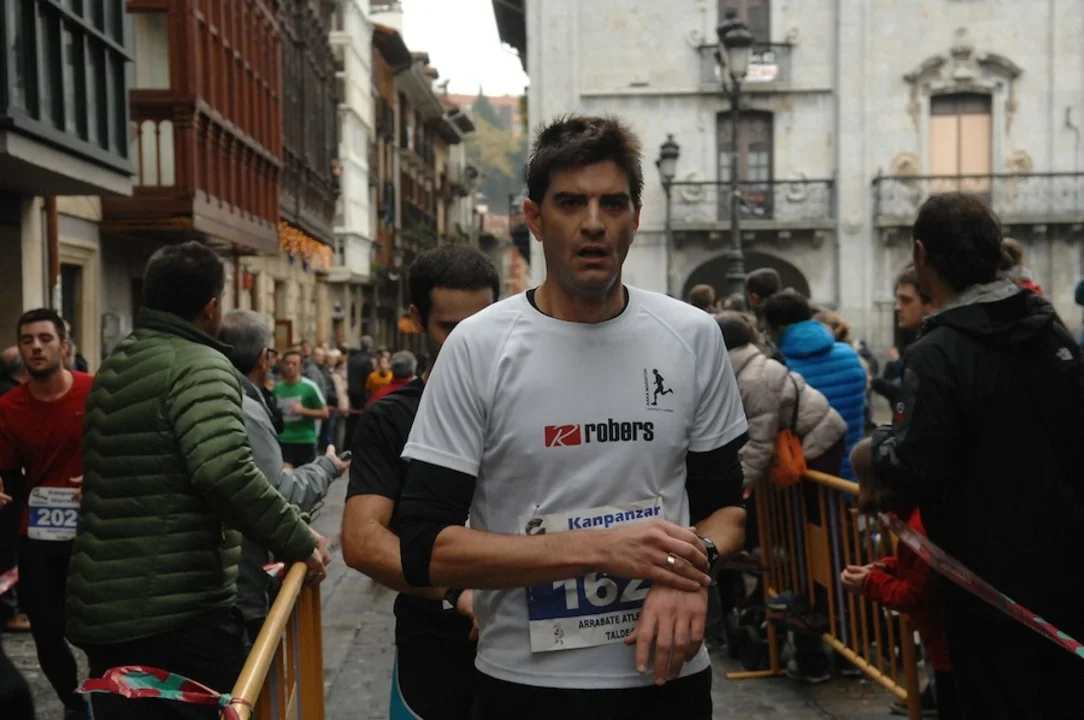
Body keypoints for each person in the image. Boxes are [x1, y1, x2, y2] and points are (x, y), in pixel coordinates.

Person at [395, 115, 749, 719]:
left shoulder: (691, 335)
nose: (593, 223)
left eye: (612, 203)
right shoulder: (478, 345)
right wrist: (602, 549)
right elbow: (426, 549)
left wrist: (688, 570)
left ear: (635, 218)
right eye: (570, 203)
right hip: (525, 687)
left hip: (669, 681)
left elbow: (728, 513)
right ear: (534, 218)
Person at [66, 241, 331, 720]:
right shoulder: (201, 364)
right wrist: (300, 539)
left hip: (106, 607)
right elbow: (224, 470)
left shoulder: (117, 363)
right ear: (211, 307)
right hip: (178, 613)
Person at [870, 193, 1084, 719]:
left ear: (922, 255)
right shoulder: (1053, 332)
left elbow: (914, 467)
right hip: (1066, 573)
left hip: (985, 588)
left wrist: (878, 447)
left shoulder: (936, 354)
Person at [342, 243, 500, 720]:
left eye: (481, 324)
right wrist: (456, 592)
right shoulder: (389, 419)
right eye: (450, 328)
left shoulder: (538, 402)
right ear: (416, 319)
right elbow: (363, 541)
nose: (468, 342)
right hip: (434, 650)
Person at [219, 310, 350, 642]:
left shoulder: (214, 394)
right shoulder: (242, 406)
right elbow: (275, 494)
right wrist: (327, 468)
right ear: (265, 358)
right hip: (238, 585)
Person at [0, 309, 93, 719]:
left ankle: (110, 696)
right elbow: (7, 473)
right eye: (27, 340)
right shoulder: (8, 406)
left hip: (95, 529)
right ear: (20, 350)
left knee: (99, 626)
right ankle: (75, 705)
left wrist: (100, 478)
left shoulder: (94, 391)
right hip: (38, 533)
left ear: (64, 346)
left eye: (45, 338)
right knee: (45, 630)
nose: (36, 347)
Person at [842, 438, 954, 719]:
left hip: (947, 644)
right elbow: (918, 568)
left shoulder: (916, 525)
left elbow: (916, 593)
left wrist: (869, 583)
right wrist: (885, 568)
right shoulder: (911, 514)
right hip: (941, 639)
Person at [762, 290, 867, 479]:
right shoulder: (850, 355)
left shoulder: (778, 369)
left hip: (806, 480)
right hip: (851, 475)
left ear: (775, 328)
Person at [871, 265, 932, 407]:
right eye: (897, 300)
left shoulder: (931, 350)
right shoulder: (922, 345)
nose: (897, 307)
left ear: (930, 303)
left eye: (906, 300)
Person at [274, 350, 330, 468]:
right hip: (284, 440)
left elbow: (325, 413)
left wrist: (303, 410)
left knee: (306, 476)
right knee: (285, 475)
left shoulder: (310, 387)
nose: (290, 367)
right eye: (287, 363)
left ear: (301, 366)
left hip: (305, 440)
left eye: (294, 364)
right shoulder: (277, 388)